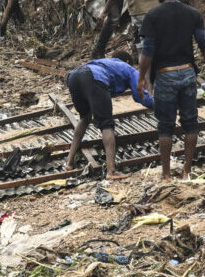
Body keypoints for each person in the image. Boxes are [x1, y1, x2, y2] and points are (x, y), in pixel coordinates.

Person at [138, 0, 205, 181]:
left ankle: (166, 174)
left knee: (165, 126)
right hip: (187, 73)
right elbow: (204, 45)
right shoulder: (193, 14)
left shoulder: (153, 17)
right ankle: (187, 171)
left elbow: (147, 51)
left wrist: (141, 78)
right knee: (190, 123)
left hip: (165, 75)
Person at [63, 50, 155, 180]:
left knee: (85, 118)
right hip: (94, 78)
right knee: (107, 125)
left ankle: (69, 162)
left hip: (73, 77)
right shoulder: (128, 68)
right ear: (128, 62)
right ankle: (111, 171)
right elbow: (140, 96)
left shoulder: (105, 63)